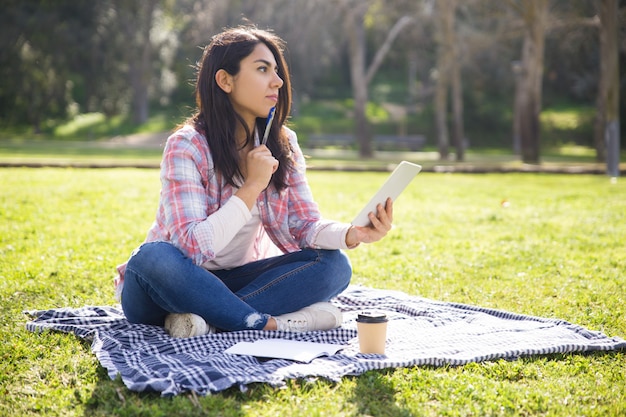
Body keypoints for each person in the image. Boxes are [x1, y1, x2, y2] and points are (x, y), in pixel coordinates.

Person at [115, 26, 393, 338]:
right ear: (225, 80)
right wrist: (251, 186)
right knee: (153, 257)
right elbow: (190, 248)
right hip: (169, 284)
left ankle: (210, 320)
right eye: (262, 69)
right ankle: (267, 322)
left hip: (236, 280)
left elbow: (303, 224)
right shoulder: (187, 145)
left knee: (334, 264)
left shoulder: (283, 143)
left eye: (277, 71)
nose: (277, 81)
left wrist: (352, 234)